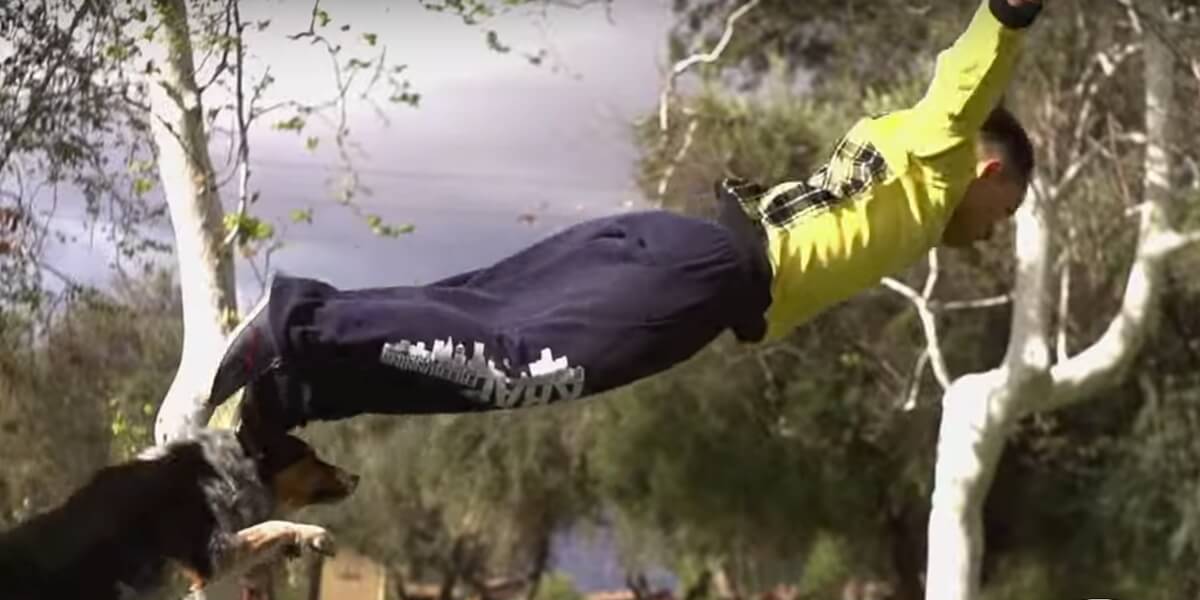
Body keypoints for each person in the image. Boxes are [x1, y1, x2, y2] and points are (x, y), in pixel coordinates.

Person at [208, 0, 1044, 435]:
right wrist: (1009, 17)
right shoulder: (943, 146)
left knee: (483, 327)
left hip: (677, 242)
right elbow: (969, 69)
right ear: (989, 169)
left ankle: (299, 390)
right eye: (1002, 213)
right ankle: (299, 325)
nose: (991, 232)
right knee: (517, 363)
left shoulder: (896, 143)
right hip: (708, 278)